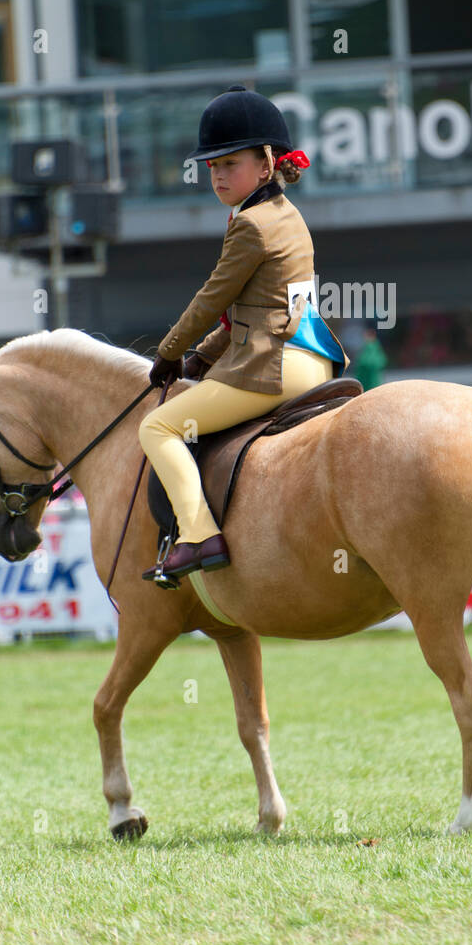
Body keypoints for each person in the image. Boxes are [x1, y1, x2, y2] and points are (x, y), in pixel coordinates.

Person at [139, 84, 350, 581]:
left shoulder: (251, 224)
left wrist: (169, 354)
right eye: (211, 166)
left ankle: (197, 534)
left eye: (230, 163)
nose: (217, 175)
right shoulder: (286, 216)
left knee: (159, 426)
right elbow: (249, 310)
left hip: (273, 366)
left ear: (267, 162)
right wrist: (203, 357)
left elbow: (211, 300)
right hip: (312, 357)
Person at [352, 321, 388, 391]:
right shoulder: (374, 347)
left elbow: (367, 362)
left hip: (370, 382)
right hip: (373, 382)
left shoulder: (371, 347)